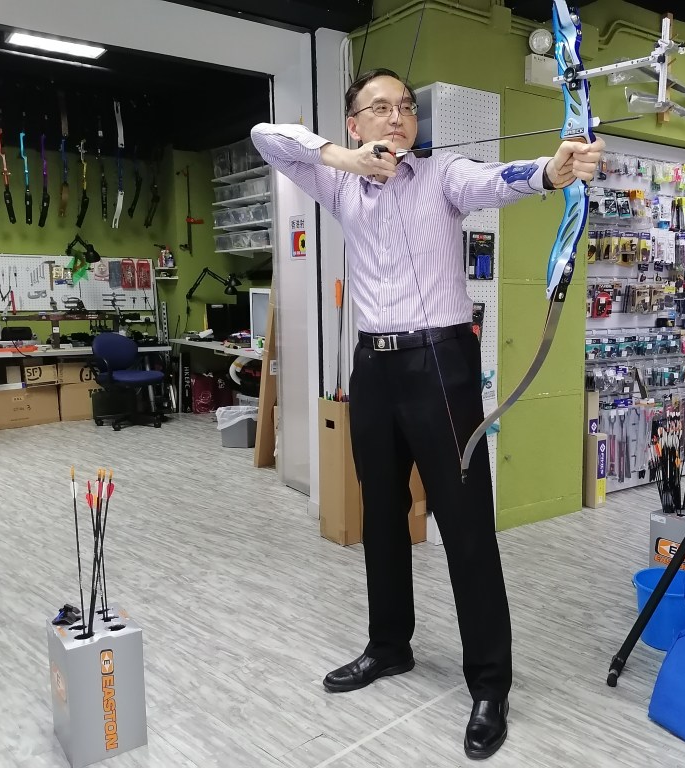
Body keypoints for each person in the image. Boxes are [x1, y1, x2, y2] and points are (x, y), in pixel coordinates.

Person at [251, 68, 603, 760]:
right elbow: (267, 137)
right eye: (380, 108)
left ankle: (490, 684)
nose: (397, 118)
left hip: (440, 364)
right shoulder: (339, 183)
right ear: (354, 123)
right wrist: (342, 159)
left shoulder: (441, 175)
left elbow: (500, 180)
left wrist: (553, 171)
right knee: (382, 515)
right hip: (373, 369)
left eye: (406, 107)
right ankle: (390, 645)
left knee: (465, 525)